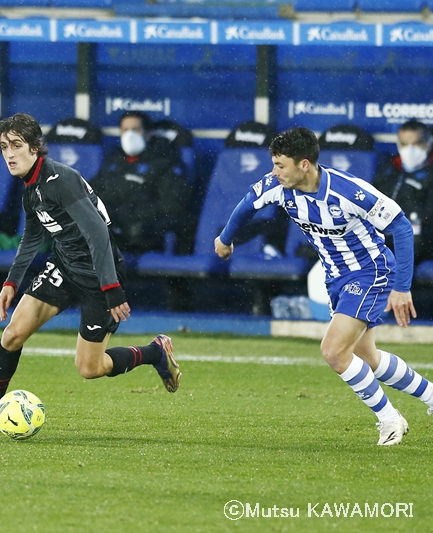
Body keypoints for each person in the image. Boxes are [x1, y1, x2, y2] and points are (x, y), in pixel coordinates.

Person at [0, 113, 181, 434]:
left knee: (89, 368)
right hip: (64, 266)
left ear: (35, 147)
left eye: (17, 145)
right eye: (5, 146)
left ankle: (155, 352)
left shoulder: (61, 180)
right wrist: (11, 281)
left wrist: (111, 287)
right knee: (12, 335)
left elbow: (97, 233)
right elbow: (33, 237)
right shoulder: (30, 188)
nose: (9, 153)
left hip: (98, 274)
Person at [214, 126, 433, 446]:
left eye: (280, 165)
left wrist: (402, 286)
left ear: (304, 165)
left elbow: (400, 226)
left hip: (369, 273)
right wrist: (225, 239)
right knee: (366, 357)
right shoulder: (279, 185)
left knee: (333, 351)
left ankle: (389, 419)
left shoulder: (348, 191)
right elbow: (248, 203)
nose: (274, 172)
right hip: (336, 278)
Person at [90, 111, 192, 254]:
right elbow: (92, 191)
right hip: (111, 226)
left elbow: (172, 204)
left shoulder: (165, 161)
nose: (129, 135)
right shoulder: (113, 161)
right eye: (125, 130)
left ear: (148, 133)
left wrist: (130, 214)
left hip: (143, 233)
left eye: (135, 129)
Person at [372, 119, 433, 263]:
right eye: (405, 144)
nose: (410, 150)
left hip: (421, 242)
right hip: (386, 239)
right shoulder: (388, 169)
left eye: (417, 143)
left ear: (429, 143)